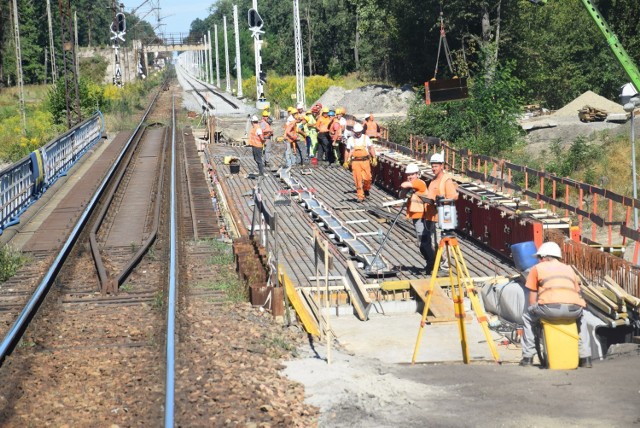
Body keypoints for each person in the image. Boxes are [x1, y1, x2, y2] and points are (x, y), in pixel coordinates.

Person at [519, 241, 592, 368]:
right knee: (582, 319)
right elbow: (577, 292)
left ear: (544, 257)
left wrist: (533, 311)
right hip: (573, 309)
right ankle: (585, 358)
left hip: (550, 309)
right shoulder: (569, 269)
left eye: (540, 258)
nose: (539, 260)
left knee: (527, 317)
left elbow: (532, 297)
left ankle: (527, 357)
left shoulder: (536, 269)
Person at [423, 152, 458, 271]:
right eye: (432, 166)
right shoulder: (433, 180)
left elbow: (454, 196)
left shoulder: (446, 180)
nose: (433, 168)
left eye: (436, 166)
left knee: (441, 243)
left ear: (442, 166)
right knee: (434, 243)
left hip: (442, 217)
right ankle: (438, 264)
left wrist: (442, 199)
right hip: (432, 216)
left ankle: (445, 267)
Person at [400, 163, 432, 272]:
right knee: (422, 242)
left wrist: (407, 185)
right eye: (408, 174)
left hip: (422, 216)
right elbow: (401, 195)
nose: (410, 176)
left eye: (412, 174)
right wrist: (405, 191)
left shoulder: (419, 183)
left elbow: (404, 185)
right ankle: (430, 262)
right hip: (416, 216)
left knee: (424, 242)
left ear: (417, 174)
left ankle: (431, 263)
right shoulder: (412, 186)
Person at [344, 123, 376, 202]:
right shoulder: (350, 139)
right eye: (356, 132)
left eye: (359, 132)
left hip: (365, 161)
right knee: (358, 179)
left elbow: (371, 148)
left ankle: (366, 189)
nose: (358, 134)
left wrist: (374, 157)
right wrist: (345, 161)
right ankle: (360, 196)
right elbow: (347, 151)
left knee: (368, 178)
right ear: (354, 132)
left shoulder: (366, 138)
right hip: (355, 162)